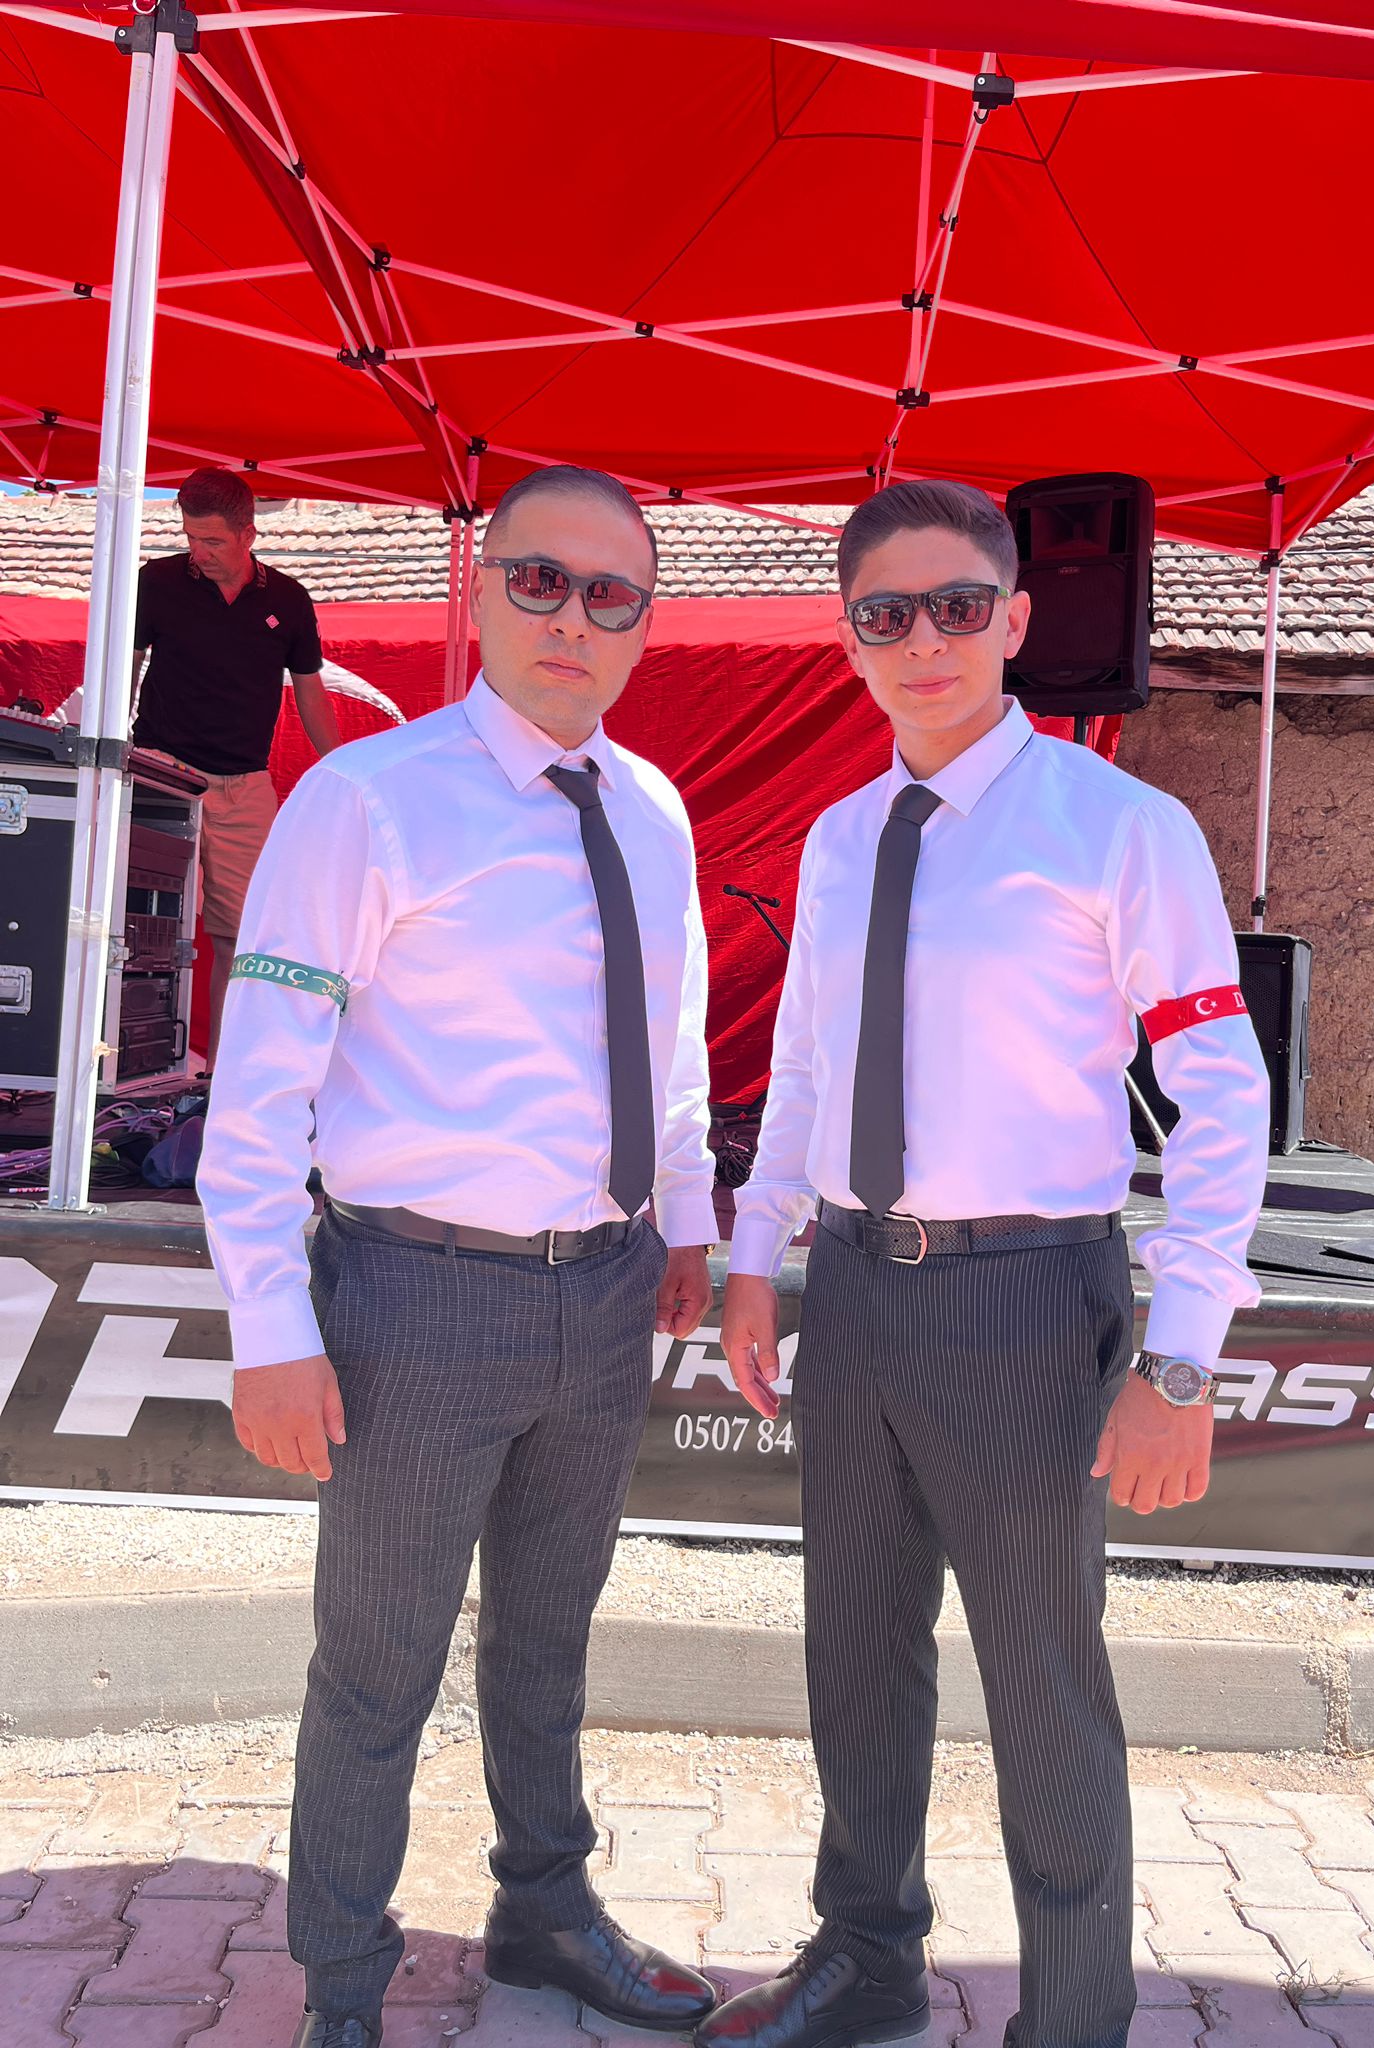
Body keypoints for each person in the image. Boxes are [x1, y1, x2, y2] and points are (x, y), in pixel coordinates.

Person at [707, 481, 1270, 2048]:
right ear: (849, 639)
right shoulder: (839, 837)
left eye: (958, 606)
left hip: (1027, 1298)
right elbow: (803, 1069)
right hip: (857, 1291)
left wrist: (1182, 1359)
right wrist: (757, 1258)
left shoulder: (1119, 827)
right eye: (885, 614)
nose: (925, 640)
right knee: (854, 1652)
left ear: (1016, 619)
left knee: (1040, 1681)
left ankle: (1074, 2018)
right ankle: (865, 1960)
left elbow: (1223, 1094)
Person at [197, 466, 721, 2048]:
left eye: (611, 594)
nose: (573, 618)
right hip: (416, 1301)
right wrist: (268, 1326)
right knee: (378, 1669)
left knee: (549, 1643)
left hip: (606, 1290)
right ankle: (343, 1989)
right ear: (479, 591)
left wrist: (687, 1214)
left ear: (644, 625)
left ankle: (544, 1917)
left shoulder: (654, 809)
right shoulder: (368, 801)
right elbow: (258, 1086)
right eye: (540, 580)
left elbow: (674, 1038)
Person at [133, 467, 341, 1068]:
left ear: (248, 534)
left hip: (244, 787)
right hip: (161, 774)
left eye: (213, 541)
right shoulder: (157, 581)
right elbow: (123, 665)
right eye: (190, 538)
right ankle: (127, 1069)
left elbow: (311, 694)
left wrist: (344, 772)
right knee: (138, 930)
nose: (198, 553)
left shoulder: (288, 600)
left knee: (243, 940)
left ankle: (221, 1083)